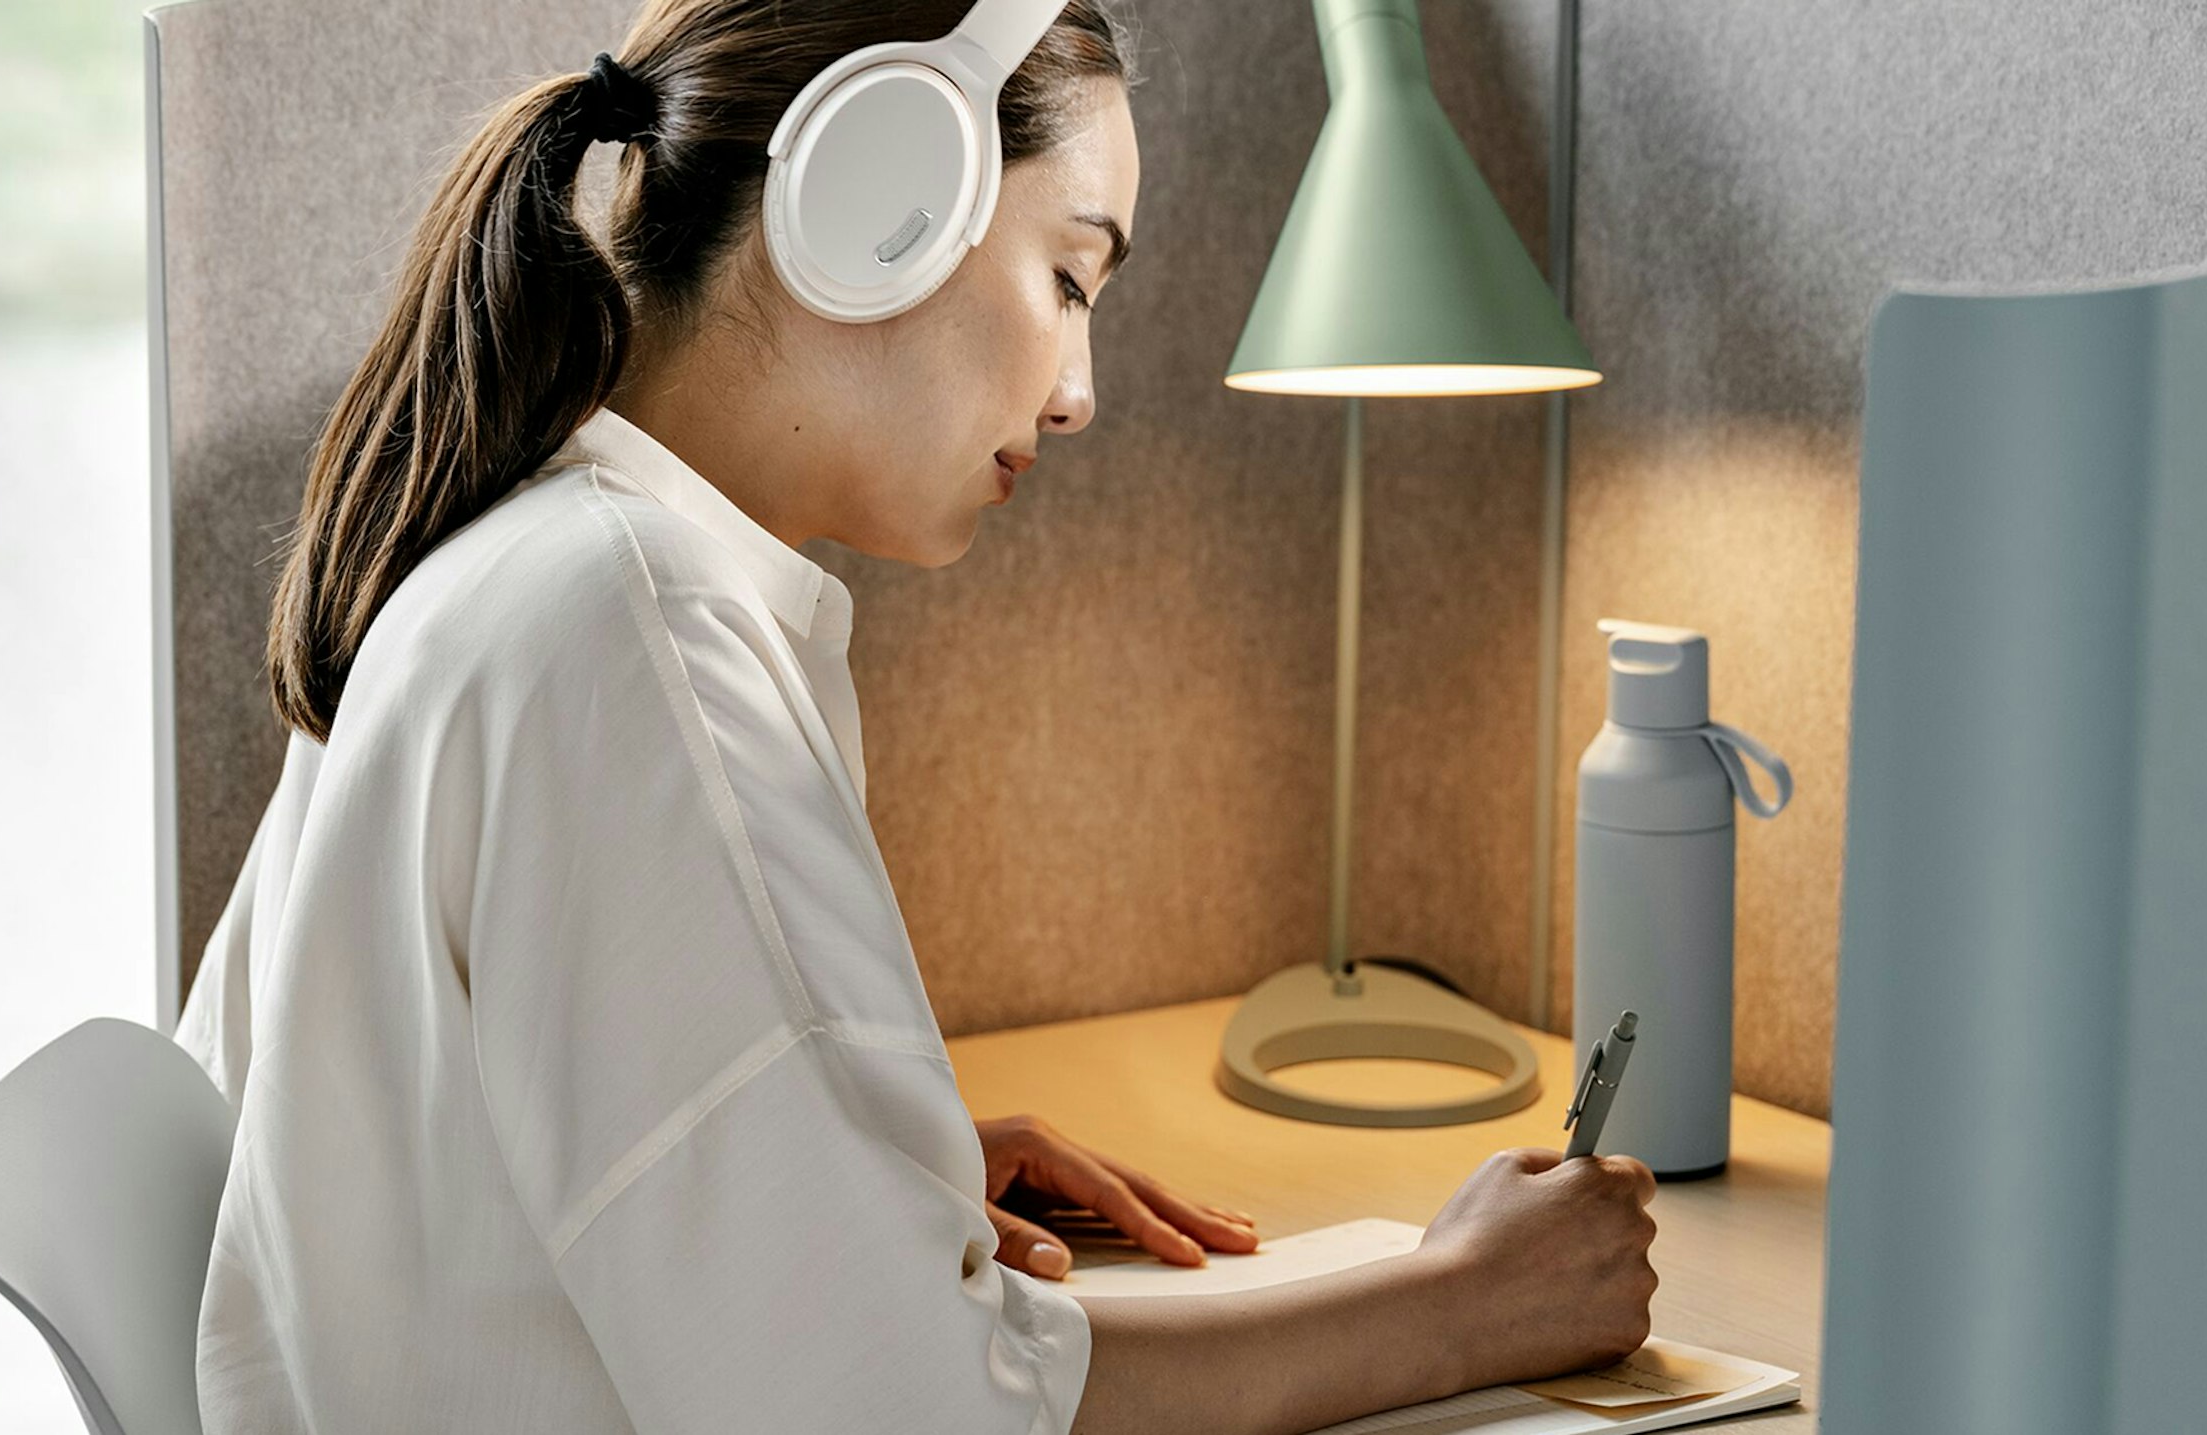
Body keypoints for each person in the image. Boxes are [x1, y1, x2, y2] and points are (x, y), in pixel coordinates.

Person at [172, 2, 1659, 1432]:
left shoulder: (513, 550)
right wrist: (1465, 1304)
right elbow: (910, 1419)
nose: (1078, 393)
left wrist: (845, 1170)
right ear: (877, 189)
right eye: (1071, 279)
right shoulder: (634, 635)